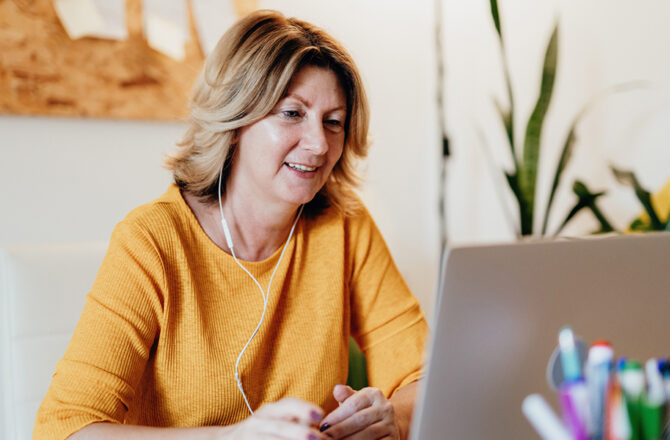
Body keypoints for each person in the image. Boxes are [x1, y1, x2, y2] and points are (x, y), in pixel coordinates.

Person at [34, 9, 427, 440]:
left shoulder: (345, 226)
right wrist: (228, 437)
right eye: (292, 113)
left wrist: (396, 417)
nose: (319, 144)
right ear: (236, 119)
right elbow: (64, 429)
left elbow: (424, 377)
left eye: (333, 122)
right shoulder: (151, 241)